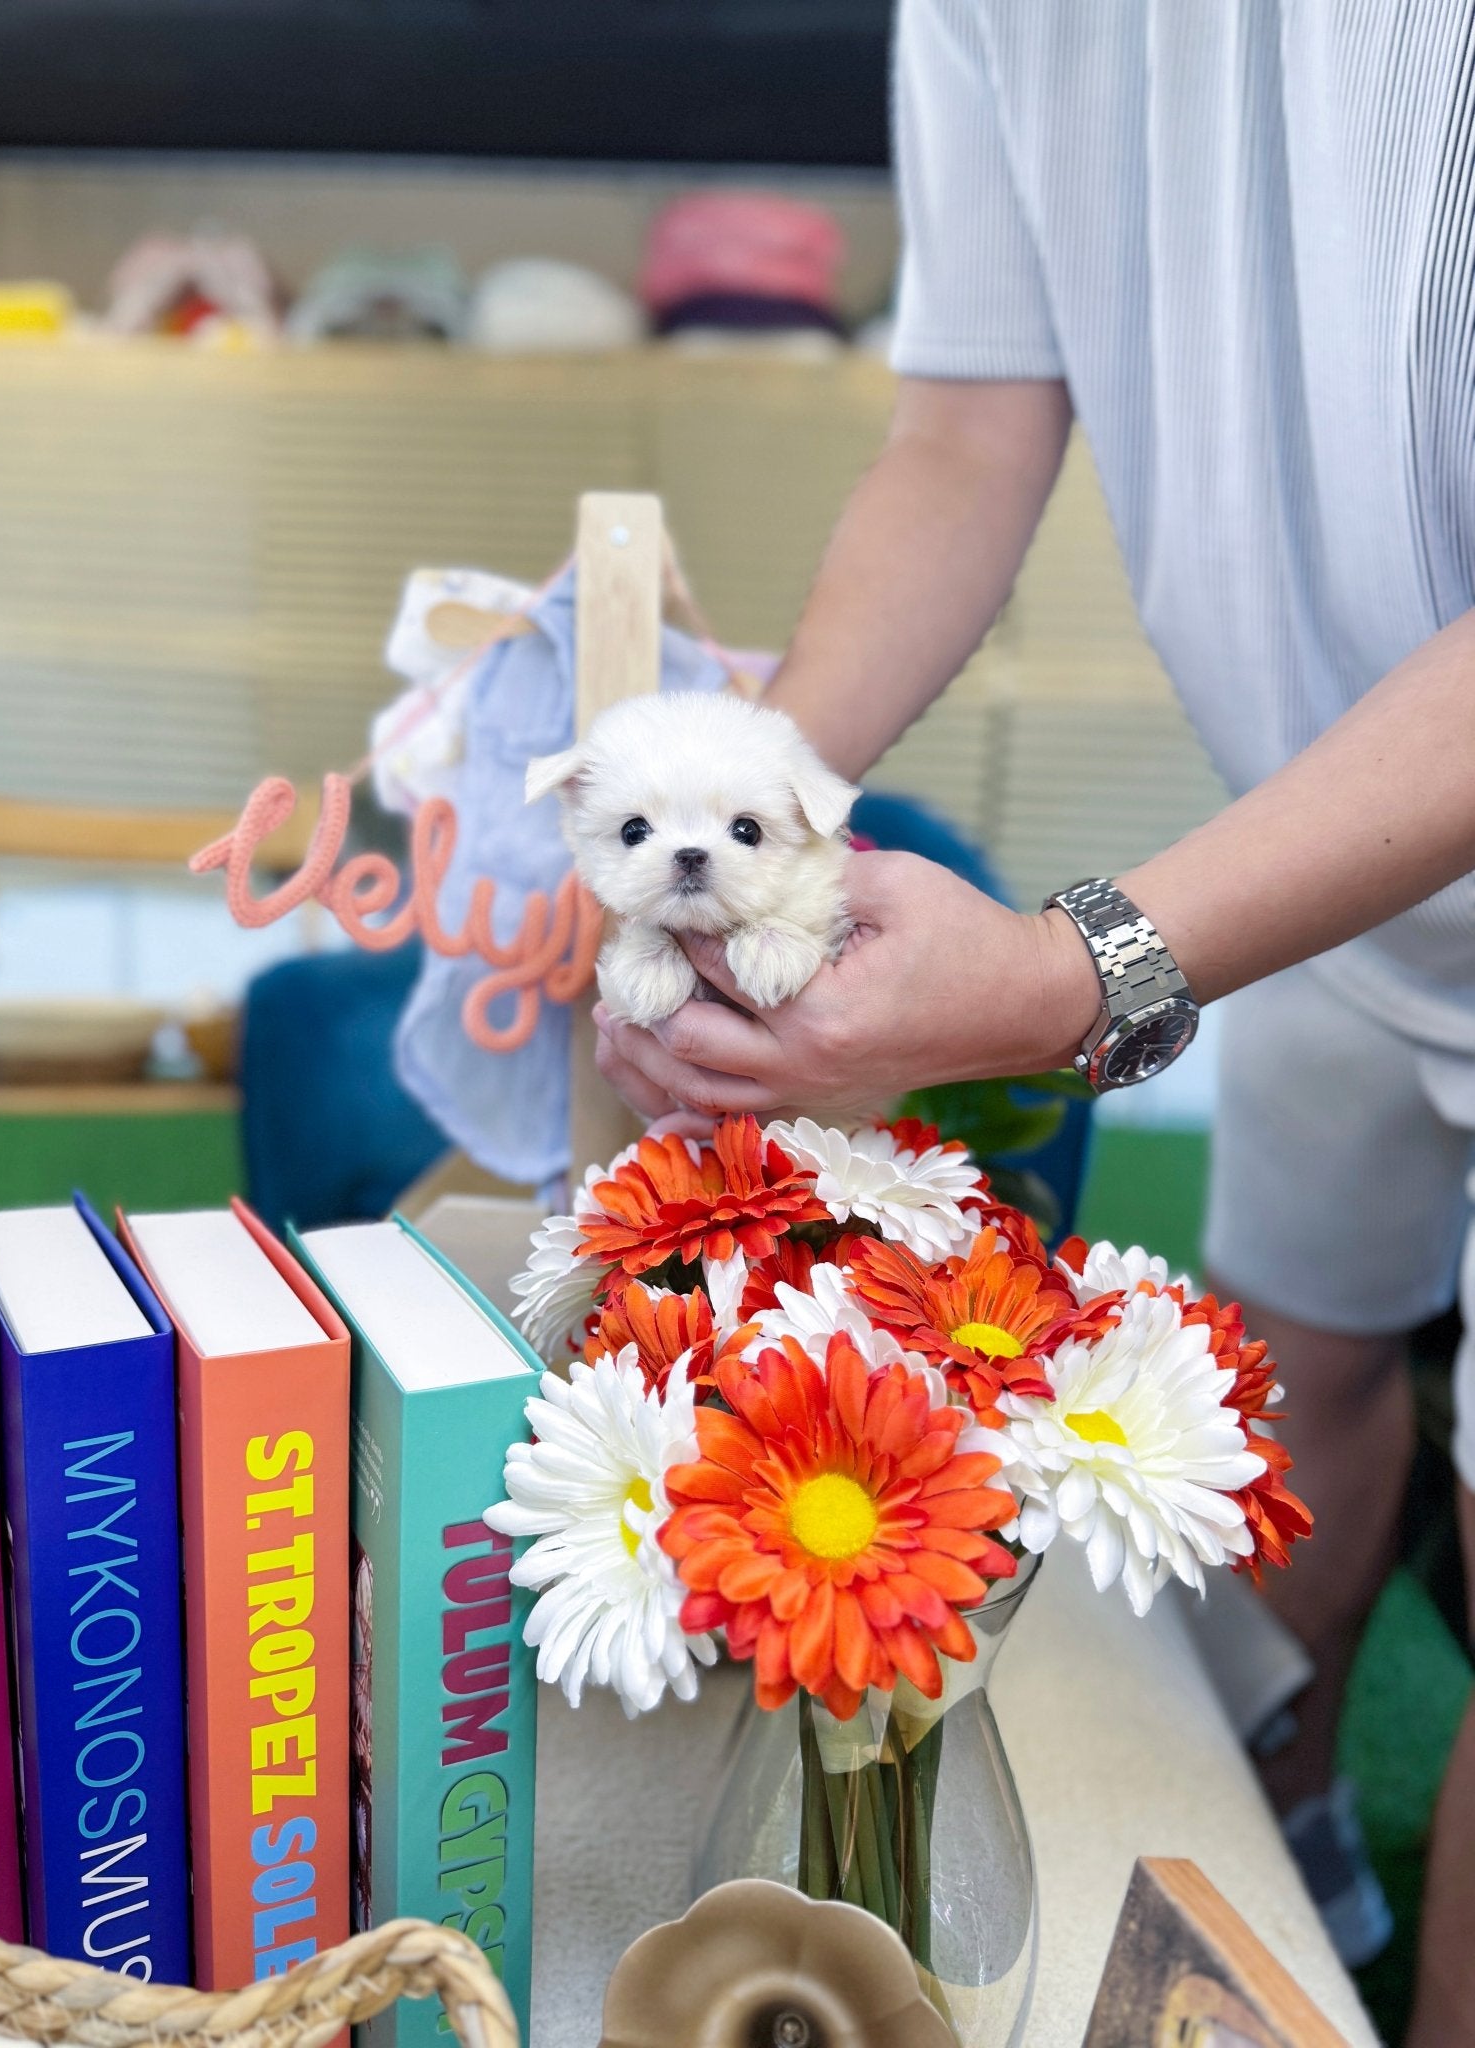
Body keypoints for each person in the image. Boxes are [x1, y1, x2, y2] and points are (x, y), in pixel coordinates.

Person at [591, 6, 1475, 2041]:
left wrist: (1076, 975)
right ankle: (1290, 1819)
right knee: (1294, 1363)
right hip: (1335, 810)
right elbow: (970, 425)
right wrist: (740, 816)